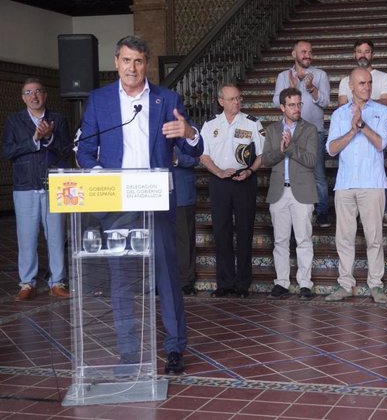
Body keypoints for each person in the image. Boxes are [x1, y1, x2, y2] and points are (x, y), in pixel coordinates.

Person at [77, 35, 203, 375]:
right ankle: (128, 351)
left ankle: (175, 347)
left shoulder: (167, 98)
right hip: (117, 201)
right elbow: (84, 151)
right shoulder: (99, 100)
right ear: (116, 62)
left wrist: (189, 132)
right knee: (121, 279)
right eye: (126, 60)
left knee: (167, 278)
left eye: (138, 61)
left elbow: (194, 148)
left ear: (146, 64)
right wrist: (102, 174)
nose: (132, 67)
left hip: (157, 201)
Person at [325, 67, 387, 304]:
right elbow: (331, 149)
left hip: (372, 182)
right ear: (350, 86)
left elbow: (381, 143)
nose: (367, 87)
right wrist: (352, 131)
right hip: (345, 183)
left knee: (374, 237)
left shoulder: (381, 111)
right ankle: (345, 284)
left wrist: (362, 125)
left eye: (369, 83)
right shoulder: (339, 115)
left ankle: (376, 284)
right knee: (344, 237)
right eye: (361, 83)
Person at [2, 78, 70, 301]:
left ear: (45, 95)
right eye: (29, 93)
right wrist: (34, 139)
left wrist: (49, 136)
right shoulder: (14, 121)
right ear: (23, 98)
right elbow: (8, 152)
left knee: (56, 236)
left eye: (38, 91)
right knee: (27, 237)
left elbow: (66, 149)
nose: (34, 96)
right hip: (25, 186)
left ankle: (57, 281)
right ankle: (26, 283)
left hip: (54, 185)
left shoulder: (58, 119)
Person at [200, 83, 264, 299]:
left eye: (239, 98)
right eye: (232, 99)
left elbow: (262, 154)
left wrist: (250, 171)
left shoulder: (252, 123)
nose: (237, 102)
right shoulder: (210, 125)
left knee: (245, 232)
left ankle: (242, 284)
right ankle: (224, 282)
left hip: (244, 181)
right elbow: (203, 154)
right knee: (222, 232)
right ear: (221, 102)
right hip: (219, 183)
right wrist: (217, 172)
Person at [262, 87, 318, 300]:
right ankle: (282, 283)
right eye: (292, 105)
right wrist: (281, 149)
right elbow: (266, 160)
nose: (297, 108)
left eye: (299, 104)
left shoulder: (310, 129)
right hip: (278, 191)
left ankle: (305, 284)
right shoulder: (273, 130)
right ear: (282, 107)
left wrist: (291, 147)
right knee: (280, 240)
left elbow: (312, 161)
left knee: (304, 239)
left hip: (302, 191)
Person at [338, 39, 387, 228]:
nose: (363, 55)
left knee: (376, 168)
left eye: (367, 51)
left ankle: (384, 210)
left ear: (372, 54)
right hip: (350, 134)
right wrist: (364, 105)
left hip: (375, 131)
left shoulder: (383, 76)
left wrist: (365, 105)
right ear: (354, 54)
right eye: (359, 51)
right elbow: (342, 107)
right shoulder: (343, 81)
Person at [273, 40, 331, 228]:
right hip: (290, 132)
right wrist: (290, 89)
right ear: (294, 54)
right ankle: (295, 210)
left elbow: (325, 102)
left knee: (318, 174)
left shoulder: (320, 75)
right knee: (292, 172)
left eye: (310, 52)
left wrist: (312, 88)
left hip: (314, 132)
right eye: (303, 51)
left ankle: (322, 211)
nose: (307, 55)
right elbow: (276, 101)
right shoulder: (283, 76)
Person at [172, 145, 199, 295]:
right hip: (154, 190)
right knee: (159, 238)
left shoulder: (189, 129)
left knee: (185, 239)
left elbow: (196, 157)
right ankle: (158, 280)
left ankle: (186, 281)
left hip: (182, 191)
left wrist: (176, 159)